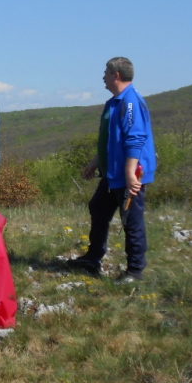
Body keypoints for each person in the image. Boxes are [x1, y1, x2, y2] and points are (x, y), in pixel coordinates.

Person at [68, 57, 156, 284]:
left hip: (127, 176)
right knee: (98, 207)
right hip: (111, 174)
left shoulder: (130, 102)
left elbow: (135, 139)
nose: (103, 77)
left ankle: (135, 271)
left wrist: (129, 174)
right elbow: (109, 140)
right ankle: (93, 258)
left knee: (131, 220)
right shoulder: (113, 103)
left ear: (116, 75)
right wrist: (95, 162)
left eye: (106, 72)